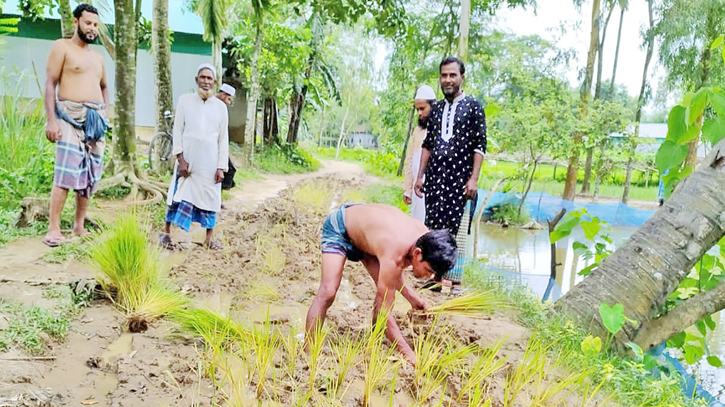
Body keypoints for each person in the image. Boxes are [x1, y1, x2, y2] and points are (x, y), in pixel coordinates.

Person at [305, 203, 457, 365]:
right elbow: (382, 313)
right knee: (328, 292)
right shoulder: (396, 251)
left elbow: (393, 274)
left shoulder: (427, 241)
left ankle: (371, 347)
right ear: (417, 253)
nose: (430, 276)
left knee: (388, 283)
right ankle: (308, 352)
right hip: (342, 226)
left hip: (369, 236)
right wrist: (409, 354)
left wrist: (414, 300)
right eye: (428, 270)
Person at [414, 57, 486, 293]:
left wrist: (473, 179)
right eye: (444, 75)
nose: (447, 80)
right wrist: (420, 176)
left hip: (460, 181)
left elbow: (479, 147)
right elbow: (428, 144)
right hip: (435, 180)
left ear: (462, 77)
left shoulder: (474, 107)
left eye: (452, 75)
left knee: (457, 230)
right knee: (434, 228)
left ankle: (455, 283)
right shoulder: (436, 111)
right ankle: (435, 278)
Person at [42, 4, 109, 247]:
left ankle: (79, 226)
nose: (92, 28)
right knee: (65, 172)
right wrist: (51, 120)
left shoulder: (97, 57)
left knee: (89, 175)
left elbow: (104, 86)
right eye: (88, 23)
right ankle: (53, 228)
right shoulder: (62, 47)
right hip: (69, 117)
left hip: (95, 120)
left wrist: (106, 113)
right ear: (76, 22)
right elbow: (50, 83)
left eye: (95, 24)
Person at [159, 64, 229, 250]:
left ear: (214, 82)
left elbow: (223, 139)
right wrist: (180, 158)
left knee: (210, 197)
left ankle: (208, 239)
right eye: (203, 77)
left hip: (210, 162)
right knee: (178, 195)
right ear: (197, 80)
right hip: (188, 162)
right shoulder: (185, 101)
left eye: (209, 78)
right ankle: (165, 233)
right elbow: (178, 130)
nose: (206, 82)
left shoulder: (221, 107)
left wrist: (221, 166)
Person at [403, 85, 436, 223]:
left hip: (433, 189)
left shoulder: (439, 130)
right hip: (418, 189)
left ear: (432, 107)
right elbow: (410, 159)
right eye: (417, 109)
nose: (419, 113)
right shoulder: (417, 131)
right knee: (416, 224)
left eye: (422, 109)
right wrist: (407, 189)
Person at [216, 83, 237, 190]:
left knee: (227, 171)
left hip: (218, 145)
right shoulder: (213, 106)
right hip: (211, 145)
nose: (228, 103)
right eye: (228, 99)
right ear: (223, 95)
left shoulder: (221, 108)